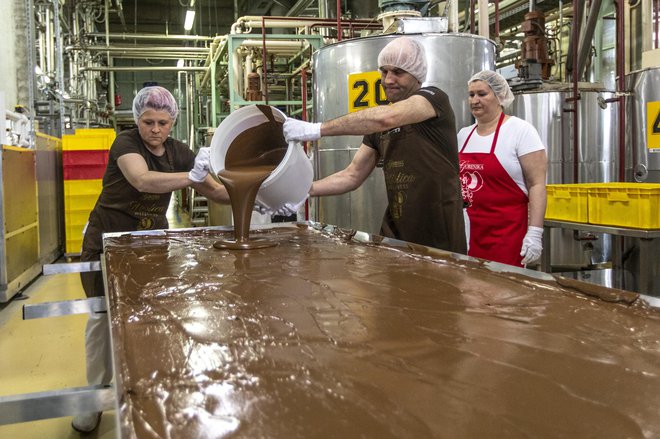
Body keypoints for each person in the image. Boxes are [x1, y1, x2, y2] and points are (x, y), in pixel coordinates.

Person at [72, 86, 228, 433]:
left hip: (151, 241)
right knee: (102, 317)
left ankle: (143, 385)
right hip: (108, 239)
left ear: (173, 122)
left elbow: (215, 190)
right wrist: (193, 177)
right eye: (147, 122)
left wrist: (259, 196)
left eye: (162, 122)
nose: (154, 129)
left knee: (149, 315)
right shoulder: (125, 144)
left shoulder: (179, 152)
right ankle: (95, 398)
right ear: (136, 119)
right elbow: (141, 180)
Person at [282, 36, 466, 253]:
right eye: (384, 71)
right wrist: (304, 190)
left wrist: (316, 129)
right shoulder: (380, 124)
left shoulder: (433, 99)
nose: (388, 79)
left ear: (416, 75)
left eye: (398, 72)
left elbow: (386, 118)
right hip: (395, 234)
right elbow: (351, 175)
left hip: (437, 235)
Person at [457, 70, 547, 267]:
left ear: (500, 96)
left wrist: (535, 232)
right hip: (471, 231)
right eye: (471, 95)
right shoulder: (464, 135)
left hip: (508, 234)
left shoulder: (520, 131)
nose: (475, 100)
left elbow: (537, 185)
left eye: (482, 94)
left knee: (505, 295)